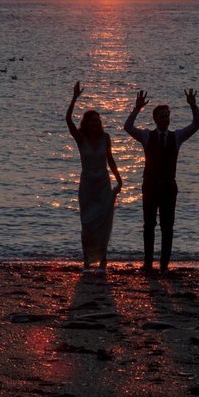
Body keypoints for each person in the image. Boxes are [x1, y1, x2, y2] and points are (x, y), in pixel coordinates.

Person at [124, 88, 199, 273]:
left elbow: (197, 124)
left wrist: (193, 106)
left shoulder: (177, 136)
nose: (166, 119)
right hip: (150, 186)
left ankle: (164, 265)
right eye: (162, 117)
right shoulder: (146, 136)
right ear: (155, 119)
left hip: (168, 186)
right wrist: (137, 109)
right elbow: (128, 127)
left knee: (168, 227)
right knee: (149, 226)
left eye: (167, 116)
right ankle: (148, 264)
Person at [65, 82, 123, 269]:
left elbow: (110, 160)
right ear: (86, 123)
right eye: (92, 121)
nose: (95, 124)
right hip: (88, 186)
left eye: (97, 121)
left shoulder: (105, 138)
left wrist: (120, 181)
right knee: (88, 223)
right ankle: (87, 259)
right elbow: (68, 120)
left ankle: (103, 258)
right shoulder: (80, 138)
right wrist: (74, 98)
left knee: (104, 222)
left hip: (103, 185)